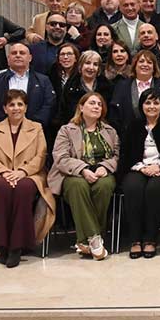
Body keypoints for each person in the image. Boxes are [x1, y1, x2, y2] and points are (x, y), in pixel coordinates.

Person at [0, 90, 55, 266]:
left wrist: (22, 172)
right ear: (5, 108)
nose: (16, 108)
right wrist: (4, 172)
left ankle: (17, 247)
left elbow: (40, 156)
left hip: (29, 174)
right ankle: (2, 245)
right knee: (1, 187)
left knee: (23, 188)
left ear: (26, 107)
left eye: (20, 104)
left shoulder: (37, 128)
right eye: (11, 104)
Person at [50, 92, 119, 260]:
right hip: (72, 173)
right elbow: (61, 157)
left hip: (101, 172)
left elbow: (117, 155)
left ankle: (85, 241)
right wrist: (83, 170)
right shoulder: (67, 130)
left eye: (99, 104)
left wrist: (105, 167)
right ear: (81, 107)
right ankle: (95, 237)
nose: (96, 107)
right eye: (92, 103)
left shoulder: (110, 131)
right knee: (78, 185)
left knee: (104, 185)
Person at [118, 89, 160, 259]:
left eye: (156, 103)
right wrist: (141, 167)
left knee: (155, 189)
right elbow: (126, 152)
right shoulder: (133, 125)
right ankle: (135, 240)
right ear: (141, 105)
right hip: (137, 167)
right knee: (133, 187)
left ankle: (150, 239)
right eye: (147, 102)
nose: (151, 106)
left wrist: (159, 165)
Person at [0, 43, 56, 126]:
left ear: (30, 58)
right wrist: (7, 125)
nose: (18, 55)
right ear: (8, 58)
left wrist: (30, 126)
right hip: (1, 130)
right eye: (14, 53)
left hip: (35, 129)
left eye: (22, 53)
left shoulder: (43, 81)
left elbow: (49, 105)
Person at [108, 50, 160, 134]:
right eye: (141, 61)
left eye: (149, 62)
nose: (145, 64)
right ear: (135, 65)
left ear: (154, 67)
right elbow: (115, 114)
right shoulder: (122, 86)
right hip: (127, 135)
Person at [60, 50, 113, 124]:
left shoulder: (107, 87)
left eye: (95, 64)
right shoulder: (70, 86)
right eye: (87, 63)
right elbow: (63, 112)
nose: (91, 67)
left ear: (99, 69)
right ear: (80, 66)